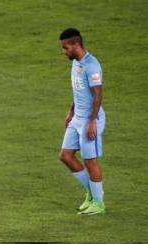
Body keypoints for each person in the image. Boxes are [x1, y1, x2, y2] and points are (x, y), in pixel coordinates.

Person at [59, 28, 106, 215]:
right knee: (66, 156)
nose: (63, 52)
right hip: (77, 118)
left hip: (89, 119)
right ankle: (91, 193)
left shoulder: (91, 65)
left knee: (90, 161)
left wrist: (92, 122)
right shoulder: (75, 63)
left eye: (65, 48)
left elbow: (97, 95)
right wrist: (71, 112)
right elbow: (78, 92)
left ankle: (99, 204)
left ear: (76, 45)